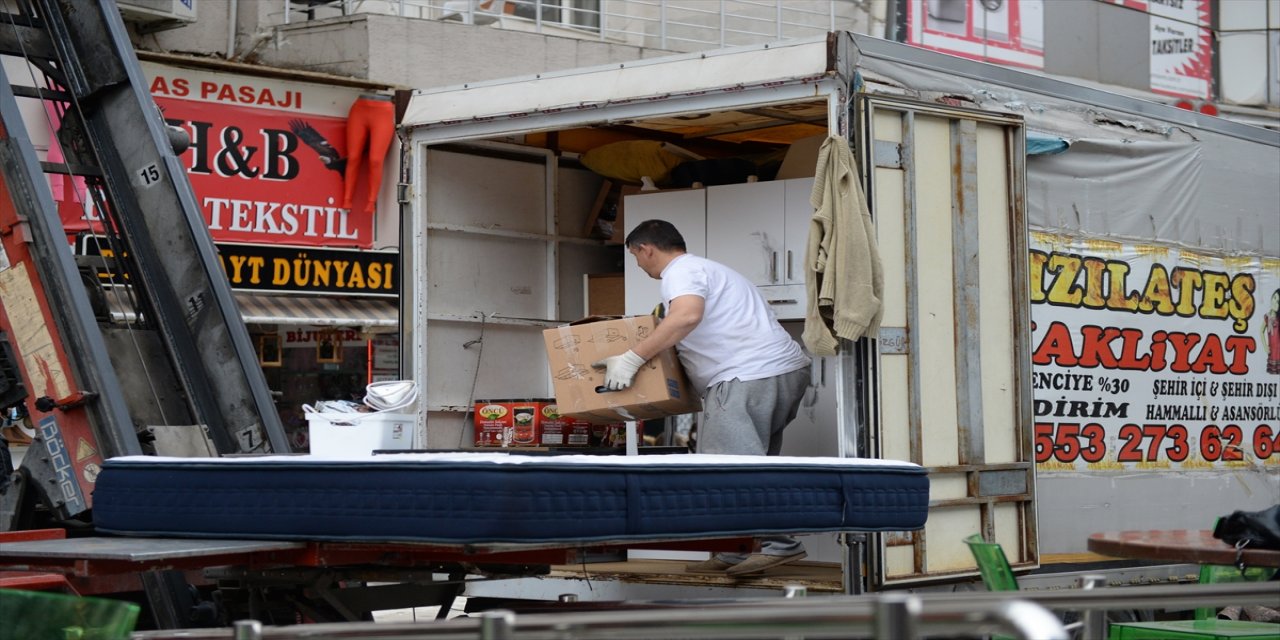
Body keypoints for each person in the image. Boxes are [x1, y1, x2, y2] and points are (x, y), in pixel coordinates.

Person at [592, 219, 812, 576]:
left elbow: (686, 317)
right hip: (774, 372)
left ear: (646, 249)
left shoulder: (682, 271)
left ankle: (780, 544)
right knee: (751, 465)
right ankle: (736, 548)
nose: (638, 264)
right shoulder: (713, 271)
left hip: (747, 375)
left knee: (728, 467)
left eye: (635, 257)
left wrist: (632, 358)